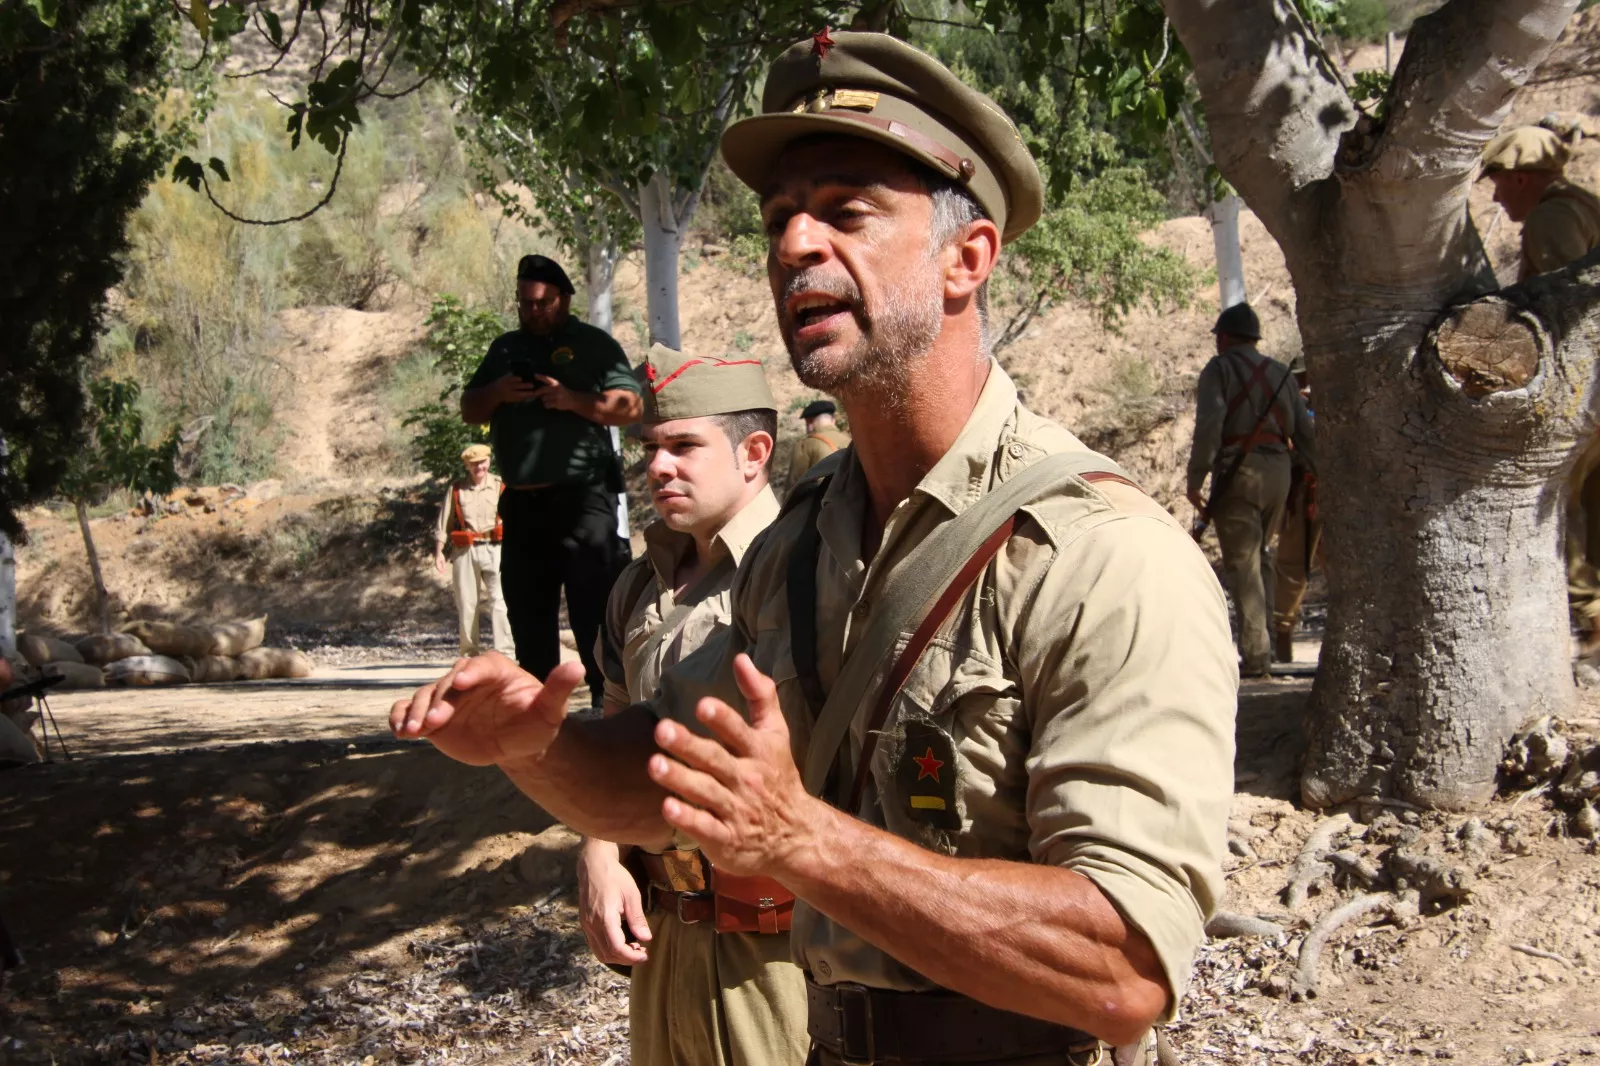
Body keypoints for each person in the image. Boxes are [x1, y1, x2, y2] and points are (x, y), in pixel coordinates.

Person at [394, 31, 1237, 1066]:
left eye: (844, 211)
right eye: (778, 217)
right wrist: (537, 749)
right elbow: (670, 776)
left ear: (966, 259)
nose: (793, 244)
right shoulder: (802, 544)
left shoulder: (1103, 559)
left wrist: (802, 842)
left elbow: (1126, 968)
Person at [579, 343, 804, 1066]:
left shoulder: (805, 570)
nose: (658, 468)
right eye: (649, 449)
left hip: (778, 950)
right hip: (668, 934)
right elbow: (616, 726)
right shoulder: (640, 585)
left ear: (754, 452)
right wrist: (599, 852)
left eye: (683, 446)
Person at [459, 254, 642, 704]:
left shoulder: (594, 344)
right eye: (525, 304)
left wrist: (572, 399)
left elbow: (631, 407)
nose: (533, 312)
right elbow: (469, 409)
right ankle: (536, 704)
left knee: (593, 603)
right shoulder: (505, 349)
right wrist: (498, 392)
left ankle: (607, 699)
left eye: (542, 303)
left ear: (563, 300)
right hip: (522, 504)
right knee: (525, 606)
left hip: (583, 500)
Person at [1480, 126, 1600, 652]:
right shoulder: (1587, 206)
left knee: (1560, 502)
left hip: (1586, 393)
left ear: (1523, 177)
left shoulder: (1552, 218)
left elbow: (1566, 313)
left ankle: (1591, 627)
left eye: (1499, 181)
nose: (1495, 194)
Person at [1185, 303, 1315, 677]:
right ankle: (1267, 649)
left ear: (1224, 338)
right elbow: (1304, 435)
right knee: (1263, 557)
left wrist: (1196, 480)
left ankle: (1257, 658)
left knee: (1244, 566)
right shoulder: (1279, 373)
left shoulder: (1219, 370)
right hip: (1278, 474)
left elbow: (1209, 426)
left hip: (1239, 472)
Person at [1480, 124, 1600, 282]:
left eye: (1497, 186)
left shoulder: (1549, 218)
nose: (1495, 198)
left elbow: (1570, 294)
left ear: (1520, 180)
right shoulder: (1585, 202)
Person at [432, 444, 514, 659]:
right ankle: (469, 655)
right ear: (467, 465)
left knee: (500, 601)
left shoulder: (500, 486)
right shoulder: (457, 489)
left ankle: (505, 653)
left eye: (483, 462)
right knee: (468, 603)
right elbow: (444, 522)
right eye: (474, 464)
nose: (480, 467)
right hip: (465, 551)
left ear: (489, 462)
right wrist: (439, 552)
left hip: (496, 549)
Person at [1270, 354, 1321, 664]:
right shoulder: (1295, 406)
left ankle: (1283, 641)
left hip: (1310, 494)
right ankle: (1283, 644)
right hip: (1308, 492)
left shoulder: (1296, 407)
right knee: (1292, 569)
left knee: (1291, 568)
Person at [786, 399, 851, 489]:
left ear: (810, 423)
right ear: (833, 420)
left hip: (822, 501)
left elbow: (794, 483)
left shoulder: (805, 445)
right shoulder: (851, 441)